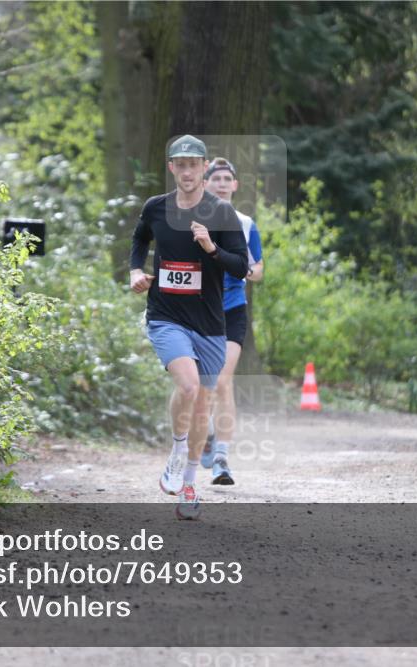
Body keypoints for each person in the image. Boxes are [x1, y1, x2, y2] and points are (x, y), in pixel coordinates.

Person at [130, 135, 248, 519]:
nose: (186, 171)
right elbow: (139, 237)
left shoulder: (221, 214)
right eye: (179, 164)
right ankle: (178, 450)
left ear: (203, 167)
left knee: (203, 406)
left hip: (211, 323)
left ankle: (191, 483)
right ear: (171, 168)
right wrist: (135, 270)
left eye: (192, 164)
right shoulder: (156, 208)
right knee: (188, 384)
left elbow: (240, 266)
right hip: (166, 315)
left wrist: (211, 247)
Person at [198, 157, 263, 485]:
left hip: (232, 309)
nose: (222, 183)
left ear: (236, 185)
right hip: (197, 310)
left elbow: (259, 269)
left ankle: (222, 458)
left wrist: (240, 268)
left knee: (222, 381)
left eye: (227, 179)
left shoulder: (246, 223)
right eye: (216, 178)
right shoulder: (194, 220)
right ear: (205, 183)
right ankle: (207, 434)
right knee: (198, 385)